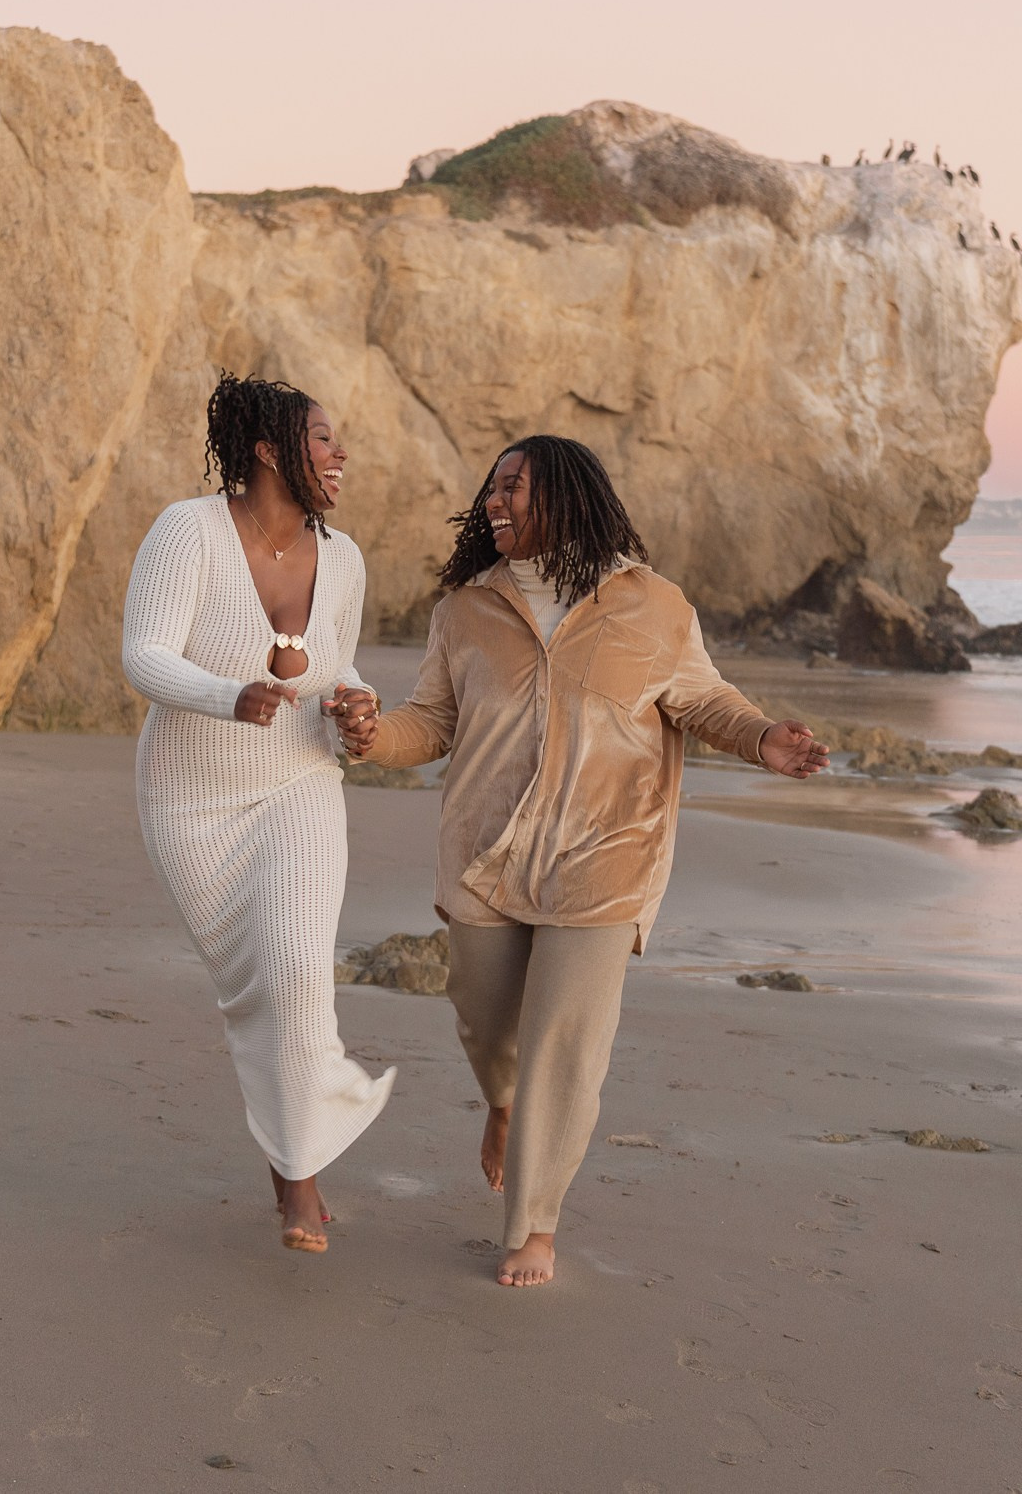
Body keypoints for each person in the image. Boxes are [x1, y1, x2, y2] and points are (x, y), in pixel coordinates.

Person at [337, 436, 829, 1285]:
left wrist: (761, 738)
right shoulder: (466, 607)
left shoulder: (654, 604)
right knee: (486, 1022)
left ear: (565, 497)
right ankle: (503, 1101)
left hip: (608, 852)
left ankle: (534, 1224)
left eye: (515, 487)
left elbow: (702, 697)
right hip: (487, 850)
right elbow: (431, 722)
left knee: (565, 1040)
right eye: (491, 488)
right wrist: (374, 734)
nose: (496, 500)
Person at [122, 375, 388, 1253]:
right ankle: (295, 1158)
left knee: (299, 968)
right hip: (191, 800)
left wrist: (356, 709)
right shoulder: (187, 531)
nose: (339, 453)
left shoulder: (342, 558)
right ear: (271, 449)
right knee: (255, 987)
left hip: (300, 782)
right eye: (322, 438)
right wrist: (225, 694)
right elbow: (144, 653)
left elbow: (338, 669)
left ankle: (299, 1185)